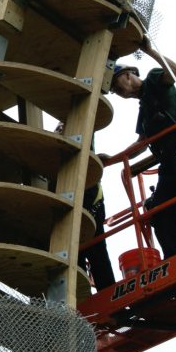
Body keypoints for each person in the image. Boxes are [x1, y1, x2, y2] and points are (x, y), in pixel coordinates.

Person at [110, 38, 176, 259]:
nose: (117, 91)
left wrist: (149, 51)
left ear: (128, 74)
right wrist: (110, 160)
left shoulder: (154, 80)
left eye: (115, 84)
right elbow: (141, 144)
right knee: (160, 212)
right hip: (169, 161)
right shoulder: (144, 112)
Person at [55, 122, 115, 290]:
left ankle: (107, 292)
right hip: (75, 205)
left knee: (96, 250)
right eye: (58, 128)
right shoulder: (58, 155)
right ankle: (80, 297)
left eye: (62, 127)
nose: (60, 129)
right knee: (76, 254)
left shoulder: (81, 139)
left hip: (91, 202)